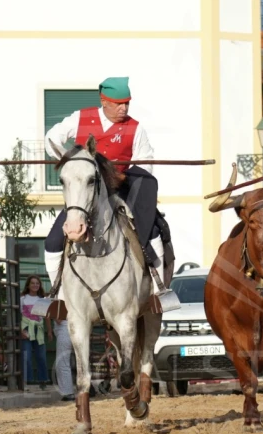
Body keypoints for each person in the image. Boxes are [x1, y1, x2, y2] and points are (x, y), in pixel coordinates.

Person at [42, 76, 173, 297]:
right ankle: (59, 294)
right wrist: (69, 161)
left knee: (152, 230)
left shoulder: (135, 128)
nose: (124, 108)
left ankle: (158, 291)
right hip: (85, 194)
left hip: (120, 191)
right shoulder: (80, 118)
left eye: (127, 103)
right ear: (104, 101)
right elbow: (52, 138)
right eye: (118, 103)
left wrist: (120, 177)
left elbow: (146, 161)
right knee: (53, 242)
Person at [20, 275, 51, 390]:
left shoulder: (43, 299)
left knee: (41, 356)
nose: (35, 285)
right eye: (32, 283)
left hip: (39, 330)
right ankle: (27, 381)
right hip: (26, 328)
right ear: (28, 285)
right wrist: (20, 330)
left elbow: (46, 316)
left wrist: (49, 331)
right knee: (26, 356)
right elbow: (17, 315)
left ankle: (43, 380)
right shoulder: (22, 299)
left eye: (37, 283)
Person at [48, 317, 75, 401]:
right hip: (72, 328)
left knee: (62, 364)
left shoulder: (60, 304)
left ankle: (68, 392)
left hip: (64, 330)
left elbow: (58, 320)